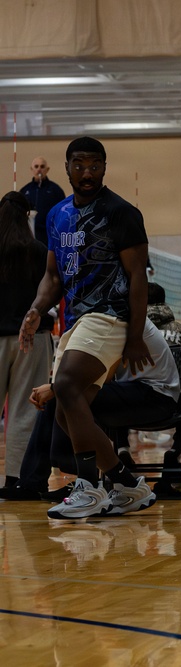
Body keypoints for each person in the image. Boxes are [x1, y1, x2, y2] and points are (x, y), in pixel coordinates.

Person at [19, 136, 155, 519]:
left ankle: (88, 487)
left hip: (112, 315)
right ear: (67, 167)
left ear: (105, 167)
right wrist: (35, 309)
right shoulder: (56, 214)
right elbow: (52, 275)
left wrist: (134, 337)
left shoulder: (121, 212)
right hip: (76, 319)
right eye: (79, 165)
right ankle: (126, 484)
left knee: (64, 386)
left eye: (95, 165)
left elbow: (138, 279)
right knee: (65, 411)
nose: (87, 173)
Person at [8, 317, 179, 503]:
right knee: (62, 397)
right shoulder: (105, 319)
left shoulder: (118, 321)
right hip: (136, 391)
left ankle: (86, 482)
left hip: (157, 397)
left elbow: (104, 375)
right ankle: (31, 483)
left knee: (67, 397)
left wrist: (54, 388)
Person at [0, 191, 54, 490]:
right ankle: (17, 481)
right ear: (26, 216)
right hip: (31, 338)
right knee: (24, 411)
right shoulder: (37, 250)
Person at [20, 156, 66, 244]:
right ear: (31, 169)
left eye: (42, 166)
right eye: (36, 167)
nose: (39, 169)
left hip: (49, 236)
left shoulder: (55, 190)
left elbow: (63, 213)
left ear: (47, 169)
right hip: (29, 237)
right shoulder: (25, 190)